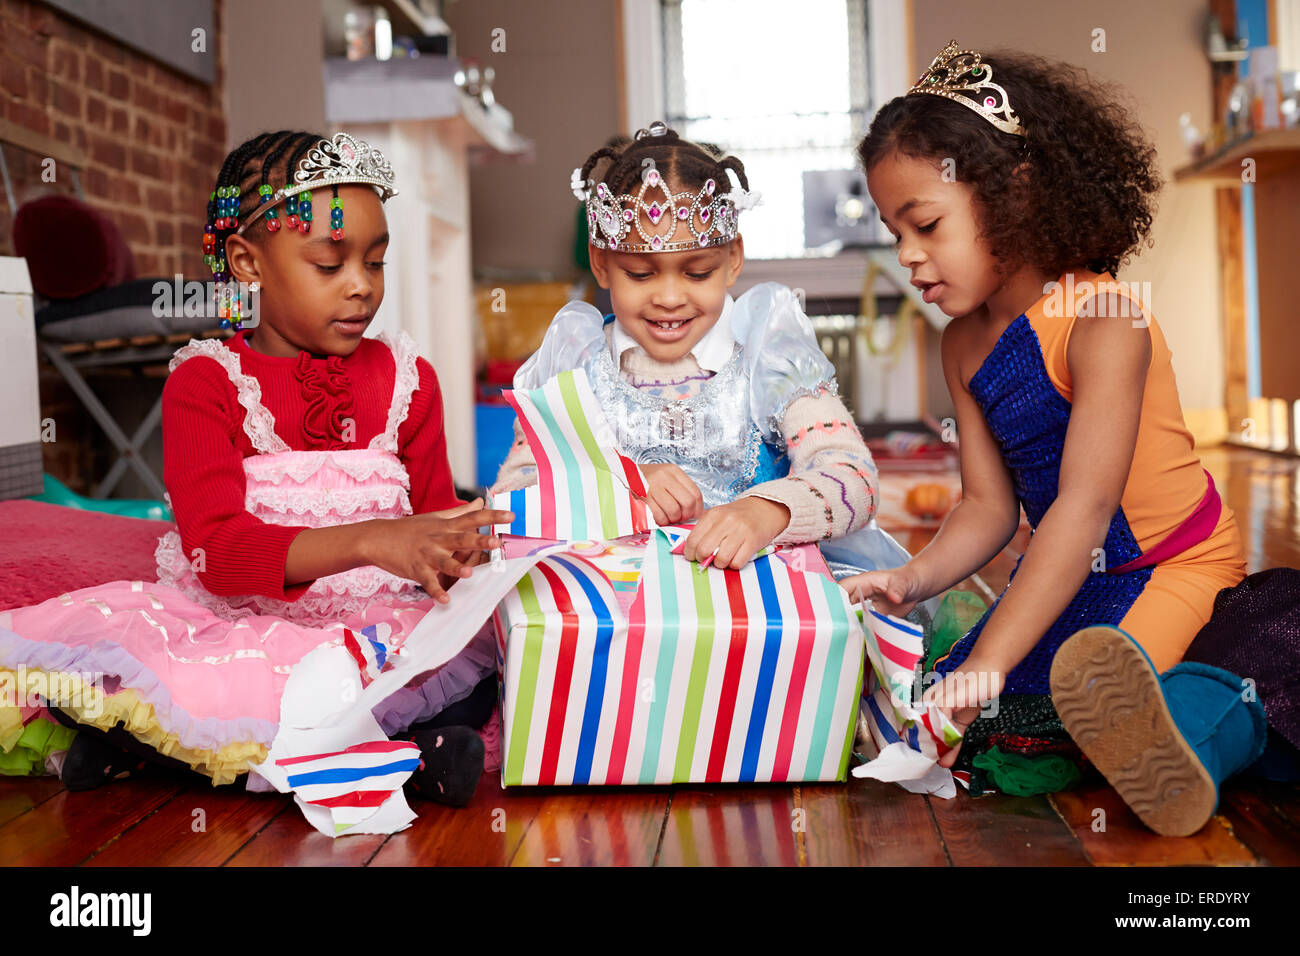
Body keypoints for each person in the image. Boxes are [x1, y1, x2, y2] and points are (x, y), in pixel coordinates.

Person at [0, 130, 512, 806]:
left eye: (377, 261)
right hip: (247, 623)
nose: (362, 286)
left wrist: (467, 547)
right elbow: (216, 550)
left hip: (377, 624)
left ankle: (161, 751)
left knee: (474, 674)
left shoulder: (409, 377)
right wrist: (368, 540)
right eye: (331, 265)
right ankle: (399, 759)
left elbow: (436, 510)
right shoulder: (206, 383)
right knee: (198, 691)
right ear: (248, 263)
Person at [840, 41, 1266, 836]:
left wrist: (991, 660)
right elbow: (986, 507)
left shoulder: (1105, 320)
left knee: (1063, 704)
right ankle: (1140, 713)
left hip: (1171, 563)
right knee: (955, 706)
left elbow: (1081, 507)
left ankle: (1190, 736)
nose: (906, 256)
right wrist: (914, 579)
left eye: (926, 224)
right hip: (1075, 572)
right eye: (894, 231)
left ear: (1014, 195)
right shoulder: (962, 343)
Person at [493, 121, 906, 574]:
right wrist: (617, 488)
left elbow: (856, 480)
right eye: (641, 274)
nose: (670, 298)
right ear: (602, 264)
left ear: (732, 260)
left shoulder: (768, 354)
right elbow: (511, 502)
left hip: (760, 608)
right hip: (618, 615)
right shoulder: (574, 366)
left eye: (696, 273)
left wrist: (768, 512)